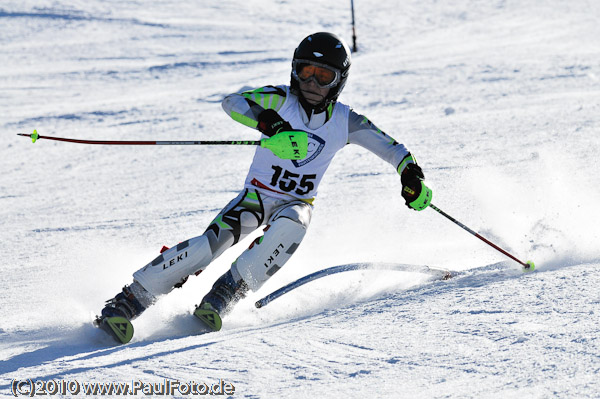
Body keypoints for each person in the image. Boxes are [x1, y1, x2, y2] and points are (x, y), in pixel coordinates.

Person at [95, 32, 432, 342]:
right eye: (307, 72)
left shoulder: (345, 120)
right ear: (294, 72)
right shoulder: (280, 100)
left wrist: (410, 175)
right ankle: (129, 300)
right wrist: (267, 121)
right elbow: (233, 102)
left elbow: (393, 149)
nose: (313, 83)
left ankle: (226, 293)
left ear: (338, 82)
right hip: (255, 197)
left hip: (297, 201)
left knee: (293, 227)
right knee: (205, 248)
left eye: (324, 76)